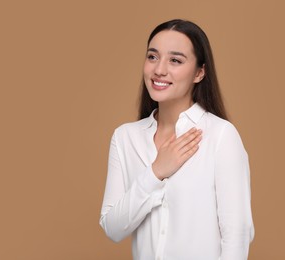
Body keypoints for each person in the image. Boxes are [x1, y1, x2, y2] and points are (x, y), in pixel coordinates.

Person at [99, 19, 254, 260]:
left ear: (199, 72)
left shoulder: (221, 136)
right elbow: (113, 228)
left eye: (175, 60)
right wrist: (155, 173)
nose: (159, 69)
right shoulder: (125, 138)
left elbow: (237, 236)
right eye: (152, 57)